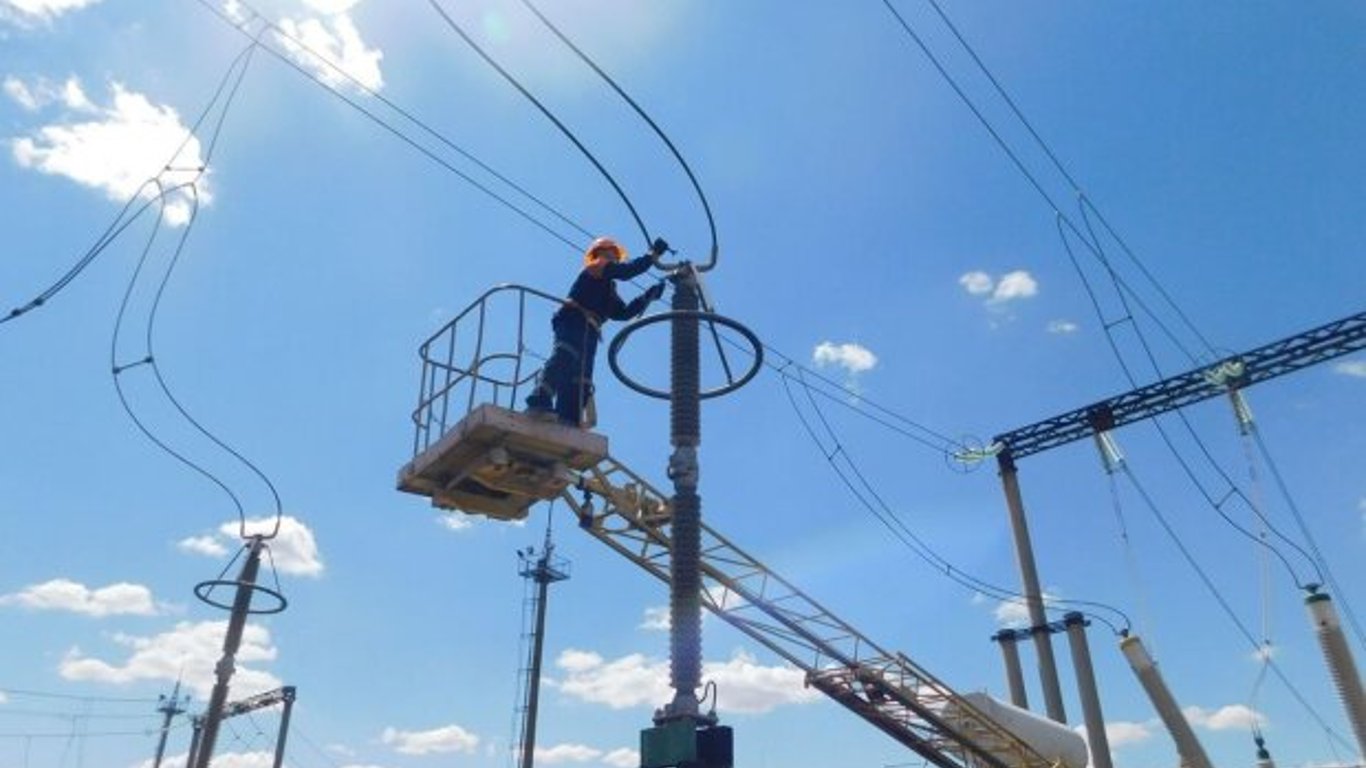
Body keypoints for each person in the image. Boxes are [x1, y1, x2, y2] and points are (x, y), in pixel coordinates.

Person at [525, 236, 667, 426]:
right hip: (573, 319)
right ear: (598, 253)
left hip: (590, 330)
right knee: (565, 355)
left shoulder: (608, 288)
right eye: (611, 253)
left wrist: (648, 296)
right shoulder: (596, 267)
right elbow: (627, 271)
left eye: (616, 255)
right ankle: (539, 400)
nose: (615, 258)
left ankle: (569, 418)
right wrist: (652, 255)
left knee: (581, 377)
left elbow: (622, 313)